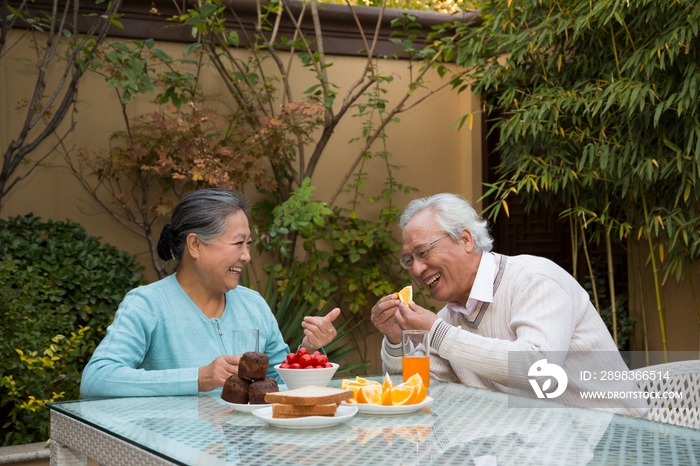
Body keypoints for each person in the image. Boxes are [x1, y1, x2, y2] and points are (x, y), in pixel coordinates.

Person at [371, 193, 648, 417]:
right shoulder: (448, 318)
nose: (417, 269)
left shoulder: (534, 280)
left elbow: (540, 368)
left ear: (465, 239)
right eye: (409, 261)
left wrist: (437, 332)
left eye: (423, 252)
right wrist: (396, 341)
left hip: (613, 438)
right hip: (536, 447)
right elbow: (418, 390)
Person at [81, 188, 340, 399]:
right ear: (195, 245)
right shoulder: (147, 304)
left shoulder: (253, 304)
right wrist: (199, 377)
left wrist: (309, 350)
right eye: (238, 243)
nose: (247, 256)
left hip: (250, 451)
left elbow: (281, 380)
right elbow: (97, 379)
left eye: (248, 244)